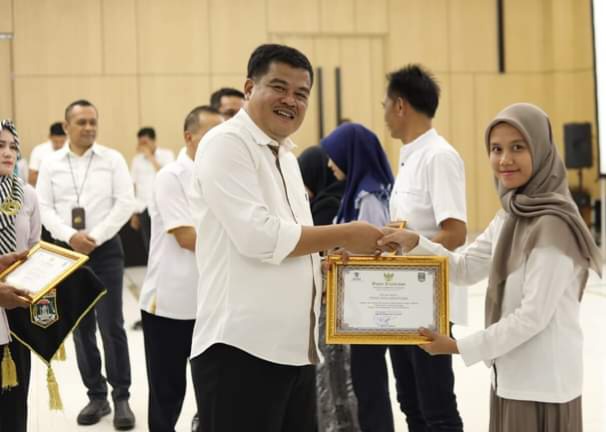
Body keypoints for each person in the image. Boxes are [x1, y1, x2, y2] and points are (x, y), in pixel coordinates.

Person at [188, 43, 384, 432]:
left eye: (301, 93)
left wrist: (322, 264)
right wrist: (348, 233)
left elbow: (289, 242)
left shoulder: (288, 158)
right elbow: (258, 237)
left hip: (294, 351)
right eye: (279, 87)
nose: (290, 101)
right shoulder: (226, 143)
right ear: (249, 88)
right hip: (241, 350)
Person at [379, 102, 601, 432]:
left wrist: (458, 346)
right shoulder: (510, 216)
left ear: (540, 150)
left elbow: (532, 317)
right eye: (496, 149)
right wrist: (416, 242)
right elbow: (466, 267)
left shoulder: (553, 225)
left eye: (518, 147)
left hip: (543, 386)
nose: (504, 159)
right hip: (510, 377)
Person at [351, 64, 467, 432]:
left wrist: (411, 247)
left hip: (429, 301)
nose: (384, 113)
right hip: (403, 299)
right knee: (411, 403)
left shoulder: (439, 157)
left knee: (437, 408)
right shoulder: (410, 158)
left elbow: (455, 232)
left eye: (385, 104)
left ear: (400, 106)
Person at [36, 100, 137, 430]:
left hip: (106, 250)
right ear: (67, 127)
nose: (89, 127)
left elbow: (125, 202)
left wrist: (94, 236)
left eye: (93, 121)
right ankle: (96, 396)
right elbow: (44, 207)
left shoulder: (113, 159)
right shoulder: (51, 163)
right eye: (81, 122)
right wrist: (70, 236)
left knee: (112, 325)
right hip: (68, 253)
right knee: (81, 328)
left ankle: (121, 397)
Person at [139, 106, 222, 432]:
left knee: (212, 391)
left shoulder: (222, 176)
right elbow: (186, 237)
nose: (218, 141)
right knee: (168, 392)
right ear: (189, 137)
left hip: (211, 303)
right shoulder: (171, 176)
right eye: (210, 134)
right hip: (169, 305)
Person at [317, 123, 394, 431]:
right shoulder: (358, 192)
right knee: (364, 383)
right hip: (359, 305)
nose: (329, 164)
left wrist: (341, 254)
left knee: (370, 385)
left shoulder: (368, 196)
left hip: (369, 306)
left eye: (334, 156)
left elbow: (374, 252)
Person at [0, 119, 41, 432]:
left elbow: (34, 248)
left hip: (16, 307)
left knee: (14, 404)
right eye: (0, 146)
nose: (8, 152)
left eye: (13, 146)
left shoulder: (27, 195)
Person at [130, 127, 174, 252]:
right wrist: (133, 213)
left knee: (166, 243)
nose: (142, 146)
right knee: (149, 245)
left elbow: (167, 177)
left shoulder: (167, 155)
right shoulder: (136, 160)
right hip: (143, 207)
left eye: (145, 142)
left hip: (162, 206)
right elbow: (133, 187)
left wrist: (150, 156)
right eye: (140, 143)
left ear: (154, 141)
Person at [298, 145, 345, 226]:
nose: (300, 186)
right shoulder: (343, 195)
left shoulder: (327, 206)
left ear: (314, 176)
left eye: (302, 178)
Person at [28, 121, 67, 186]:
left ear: (67, 137)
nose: (59, 145)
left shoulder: (71, 150)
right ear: (50, 137)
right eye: (56, 141)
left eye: (62, 142)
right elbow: (31, 179)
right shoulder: (38, 150)